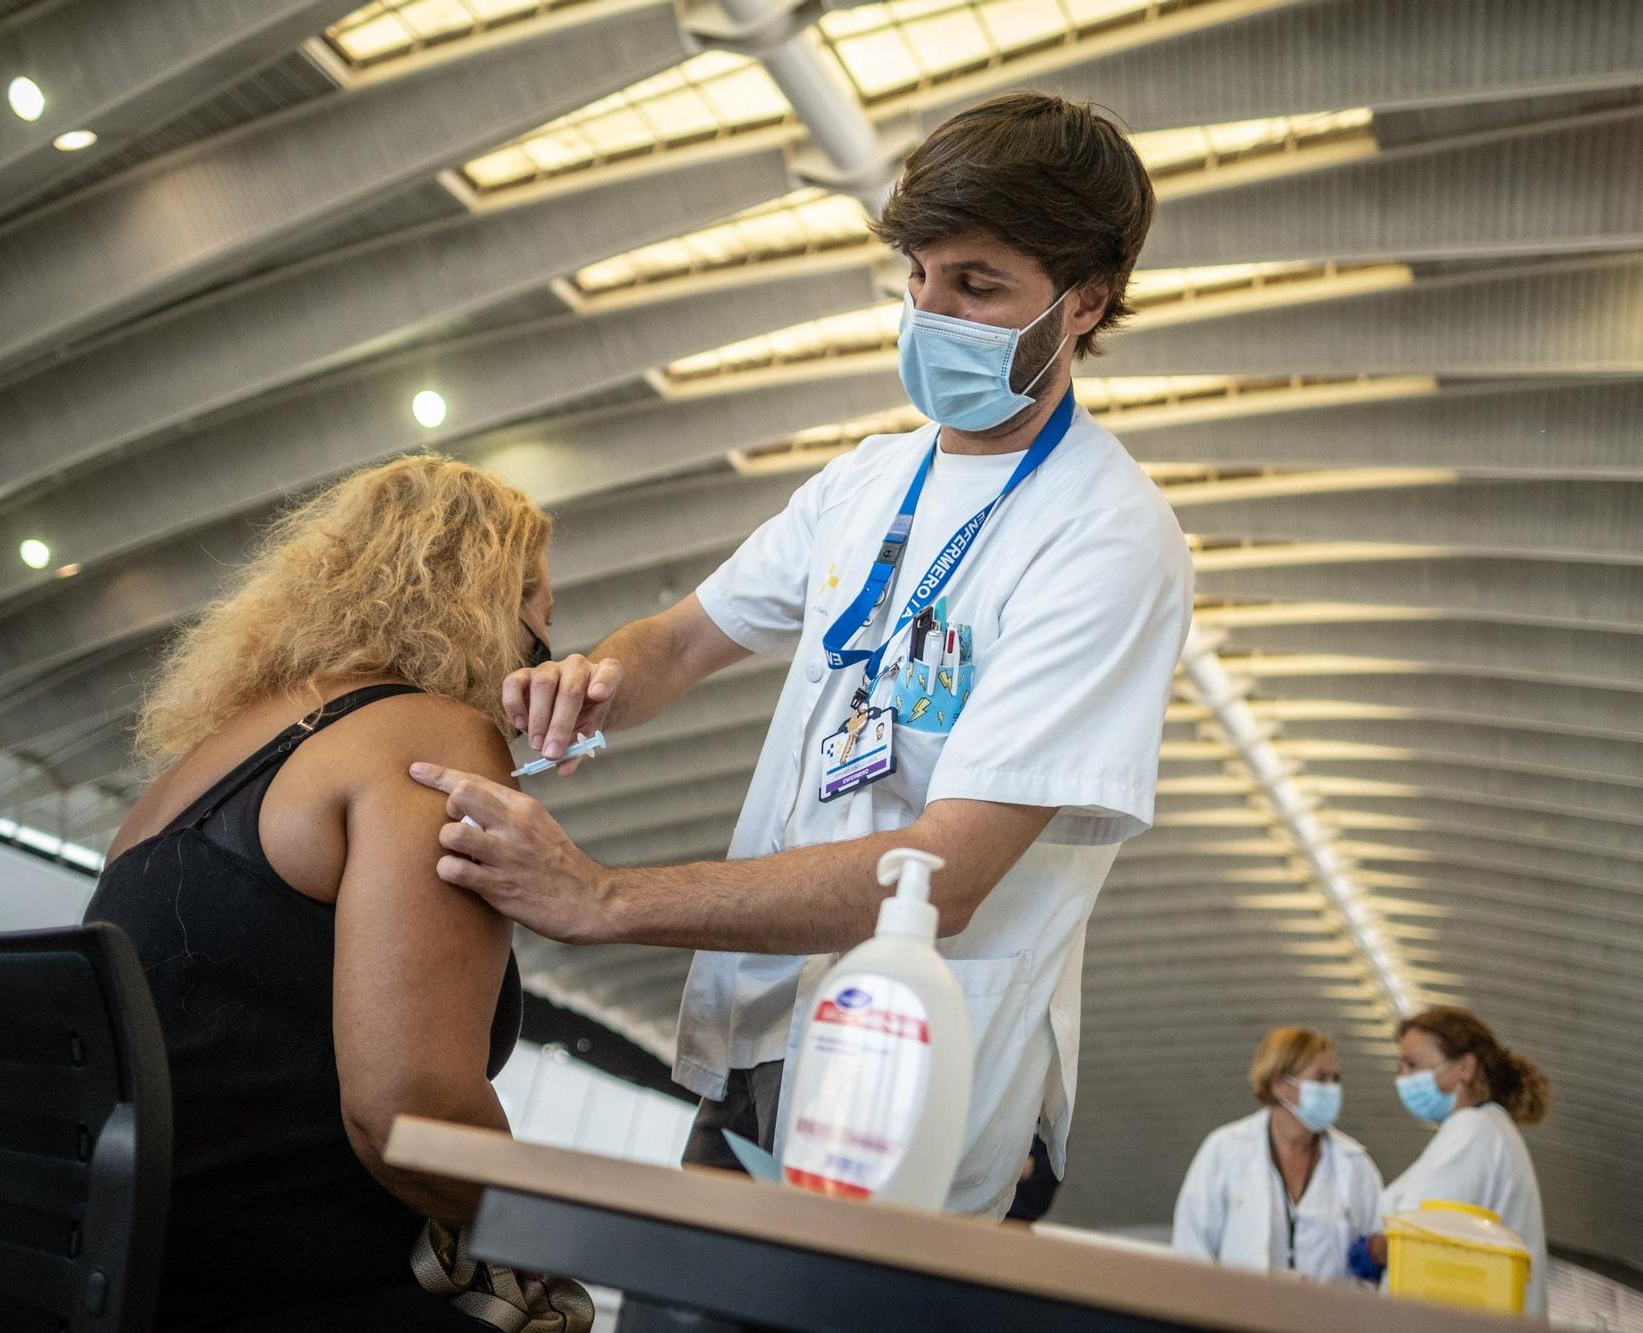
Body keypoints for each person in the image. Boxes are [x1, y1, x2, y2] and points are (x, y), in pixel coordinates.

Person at [413, 90, 1193, 1216]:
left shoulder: (1106, 539)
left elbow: (949, 869)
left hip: (919, 1081)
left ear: (1084, 302)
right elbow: (679, 639)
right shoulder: (871, 479)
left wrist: (604, 897)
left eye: (975, 286)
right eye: (917, 276)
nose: (930, 313)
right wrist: (594, 681)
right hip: (761, 1041)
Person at [88, 457, 588, 1330]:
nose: (542, 651)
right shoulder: (436, 738)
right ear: (486, 604)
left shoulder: (189, 778)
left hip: (132, 1279)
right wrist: (580, 1236)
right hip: (290, 1286)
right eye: (540, 614)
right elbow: (412, 1113)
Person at [1370, 1006, 1552, 1316]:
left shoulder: (1473, 1130)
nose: (1403, 1078)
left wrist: (1372, 1248)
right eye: (1399, 1066)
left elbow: (1418, 1233)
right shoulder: (1488, 1129)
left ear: (1465, 1068)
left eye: (1413, 1065)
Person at [1170, 1027, 1385, 1283]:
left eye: (1335, 1079)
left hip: (1330, 1319)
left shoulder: (1355, 1165)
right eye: (1321, 1079)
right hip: (1239, 1314)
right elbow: (1191, 1251)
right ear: (1280, 1085)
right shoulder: (1225, 1151)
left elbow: (1379, 1259)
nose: (1332, 1089)